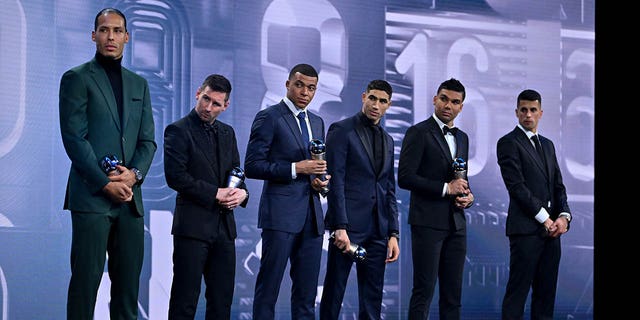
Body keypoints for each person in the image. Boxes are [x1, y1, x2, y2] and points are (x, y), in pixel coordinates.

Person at [58, 8, 157, 319]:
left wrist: (133, 176)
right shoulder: (76, 78)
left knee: (128, 293)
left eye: (117, 31)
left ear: (127, 37)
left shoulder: (139, 84)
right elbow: (74, 139)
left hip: (130, 202)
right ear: (93, 35)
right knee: (85, 288)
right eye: (104, 30)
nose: (110, 36)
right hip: (91, 198)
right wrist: (105, 184)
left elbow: (147, 142)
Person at [244, 63, 330, 319]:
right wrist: (296, 168)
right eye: (300, 85)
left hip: (313, 218)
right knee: (268, 289)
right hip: (280, 216)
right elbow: (253, 166)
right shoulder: (269, 116)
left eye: (311, 88)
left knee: (306, 295)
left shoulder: (317, 121)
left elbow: (315, 167)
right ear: (288, 84)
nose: (305, 92)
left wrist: (319, 180)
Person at [164, 74, 249, 319]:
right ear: (198, 92)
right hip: (191, 228)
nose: (208, 108)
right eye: (205, 99)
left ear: (226, 106)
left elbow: (236, 173)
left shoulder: (228, 133)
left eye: (216, 104)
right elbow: (175, 177)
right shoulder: (177, 130)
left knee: (221, 305)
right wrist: (215, 193)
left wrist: (242, 193)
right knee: (184, 302)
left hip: (224, 230)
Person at [319, 79, 400, 319]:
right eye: (372, 98)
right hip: (348, 227)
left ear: (389, 105)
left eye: (382, 101)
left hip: (378, 230)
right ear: (364, 97)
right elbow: (336, 181)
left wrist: (393, 233)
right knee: (334, 292)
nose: (376, 104)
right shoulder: (341, 130)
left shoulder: (388, 140)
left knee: (373, 299)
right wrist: (339, 226)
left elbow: (389, 189)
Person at [398, 78, 474, 320]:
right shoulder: (418, 132)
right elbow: (405, 177)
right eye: (444, 99)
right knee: (424, 292)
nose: (448, 106)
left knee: (453, 296)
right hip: (427, 223)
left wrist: (467, 196)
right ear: (434, 99)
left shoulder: (462, 138)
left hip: (457, 224)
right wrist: (445, 189)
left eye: (454, 102)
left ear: (461, 107)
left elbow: (460, 179)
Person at [497, 89, 572, 320]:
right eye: (523, 110)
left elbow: (558, 185)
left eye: (532, 110)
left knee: (546, 296)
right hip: (526, 231)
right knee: (517, 295)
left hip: (552, 234)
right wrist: (545, 218)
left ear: (541, 113)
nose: (528, 114)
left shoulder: (548, 145)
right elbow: (517, 188)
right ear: (516, 113)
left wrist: (563, 217)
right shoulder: (508, 143)